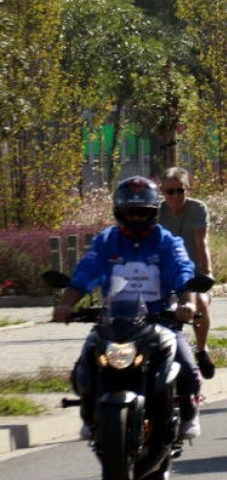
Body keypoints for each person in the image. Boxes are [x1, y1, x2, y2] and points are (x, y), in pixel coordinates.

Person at [52, 176, 203, 440]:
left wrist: (187, 302)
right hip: (114, 322)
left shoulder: (167, 241)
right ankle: (90, 413)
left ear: (154, 212)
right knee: (85, 366)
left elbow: (182, 270)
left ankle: (189, 413)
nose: (135, 218)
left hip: (159, 322)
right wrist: (66, 304)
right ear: (118, 212)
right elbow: (87, 271)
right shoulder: (106, 241)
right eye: (129, 212)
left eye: (141, 212)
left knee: (187, 366)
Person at [158, 167, 216, 379]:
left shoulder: (197, 209)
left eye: (179, 191)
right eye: (169, 192)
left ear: (187, 189)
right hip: (164, 276)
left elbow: (202, 242)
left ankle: (201, 349)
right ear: (162, 192)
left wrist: (206, 272)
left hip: (192, 274)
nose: (175, 196)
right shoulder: (157, 212)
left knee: (200, 303)